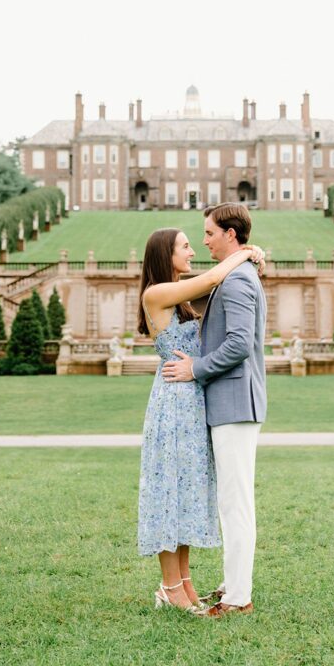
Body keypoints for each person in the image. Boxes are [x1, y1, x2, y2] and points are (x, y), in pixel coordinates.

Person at [137, 227, 264, 615]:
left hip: (194, 398)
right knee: (167, 492)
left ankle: (185, 584)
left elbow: (218, 285)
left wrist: (246, 254)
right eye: (185, 246)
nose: (194, 249)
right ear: (165, 253)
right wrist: (246, 251)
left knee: (187, 493)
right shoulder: (156, 293)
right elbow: (213, 277)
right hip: (173, 400)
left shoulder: (182, 291)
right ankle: (170, 587)